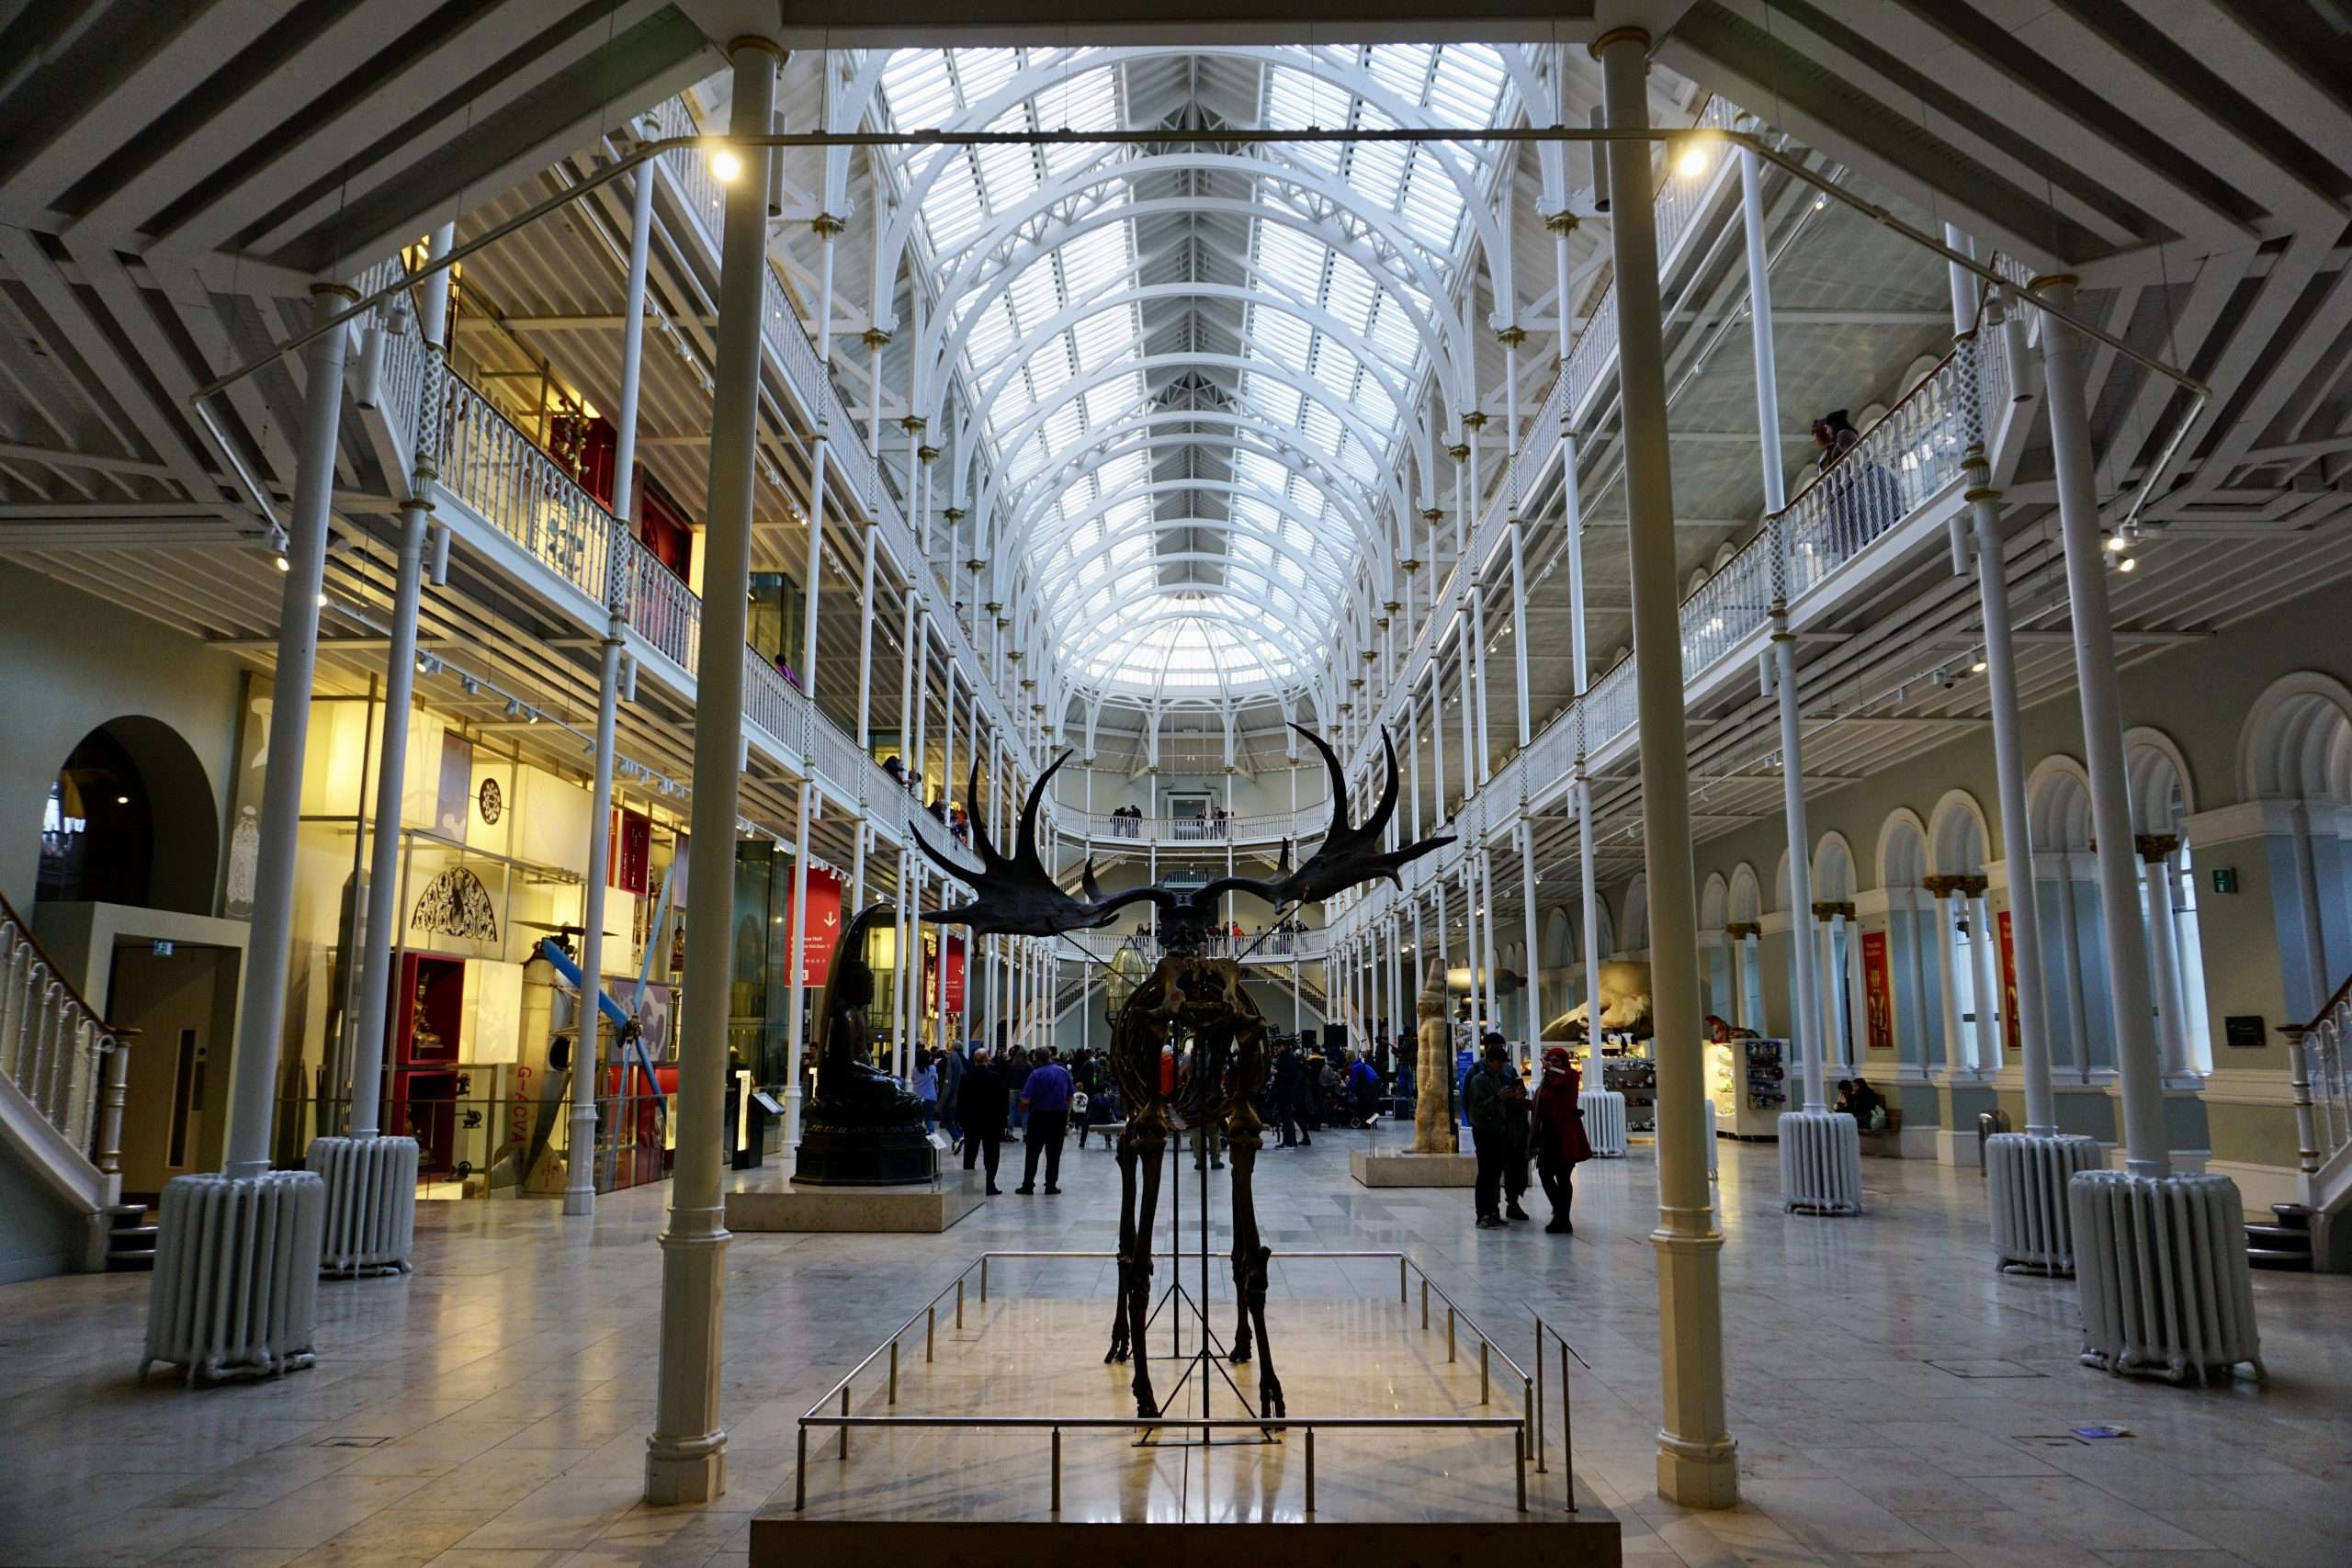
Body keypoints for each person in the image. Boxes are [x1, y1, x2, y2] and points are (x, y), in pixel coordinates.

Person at [1532, 1045, 1594, 1233]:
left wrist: (1552, 1070)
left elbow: (1563, 1081)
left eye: (1557, 1060)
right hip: (1549, 1133)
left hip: (1565, 1133)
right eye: (1551, 1060)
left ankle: (1562, 1218)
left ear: (1564, 1062)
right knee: (1544, 1173)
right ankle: (1560, 1213)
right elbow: (1540, 1105)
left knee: (1563, 1176)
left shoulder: (1570, 1076)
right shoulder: (1547, 1082)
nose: (1553, 1064)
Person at [1464, 1038, 1511, 1228]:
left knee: (1494, 1174)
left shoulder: (1497, 1079)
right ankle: (1482, 1213)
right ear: (1490, 1062)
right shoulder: (1478, 1080)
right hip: (1484, 1132)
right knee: (1485, 1174)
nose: (1501, 1066)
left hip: (1498, 1132)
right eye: (1498, 1062)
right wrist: (1497, 1098)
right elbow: (1478, 1108)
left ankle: (1492, 1211)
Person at [1016, 1050, 1074, 1194]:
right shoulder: (1063, 1072)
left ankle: (1028, 1184)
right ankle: (1051, 1185)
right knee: (1054, 1153)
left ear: (1036, 1059)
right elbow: (1070, 1095)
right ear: (1050, 1056)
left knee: (1033, 1152)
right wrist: (1067, 1115)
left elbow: (1025, 1099)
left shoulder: (1035, 1075)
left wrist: (1022, 1109)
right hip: (1059, 1117)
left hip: (1039, 1117)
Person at [957, 1048, 1008, 1193]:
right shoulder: (996, 1077)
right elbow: (1002, 1101)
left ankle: (968, 1185)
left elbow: (961, 1100)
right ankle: (990, 1184)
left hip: (971, 1121)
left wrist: (960, 1118)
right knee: (992, 1154)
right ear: (987, 1059)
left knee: (970, 1153)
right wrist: (1003, 1120)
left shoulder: (966, 1078)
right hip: (992, 1121)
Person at [1498, 1052, 1532, 1222]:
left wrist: (1519, 1097)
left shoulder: (1510, 1071)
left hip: (1518, 1130)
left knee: (1518, 1168)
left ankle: (1513, 1203)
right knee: (1507, 1169)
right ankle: (1495, 1208)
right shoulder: (1481, 1074)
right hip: (1503, 1130)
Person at [1272, 1043, 1309, 1147]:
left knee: (1287, 1117)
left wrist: (1275, 1073)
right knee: (1289, 1117)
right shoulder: (1289, 1057)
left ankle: (1288, 1141)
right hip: (1289, 1092)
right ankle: (1291, 1140)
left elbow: (1289, 1075)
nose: (1276, 1050)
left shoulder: (1287, 1058)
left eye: (1277, 1048)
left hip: (1287, 1093)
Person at [911, 1050, 938, 1134]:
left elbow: (913, 1080)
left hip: (917, 1098)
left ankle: (918, 1140)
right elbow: (935, 1080)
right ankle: (933, 1140)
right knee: (929, 1120)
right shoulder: (932, 1068)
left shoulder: (914, 1069)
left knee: (918, 1121)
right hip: (930, 1097)